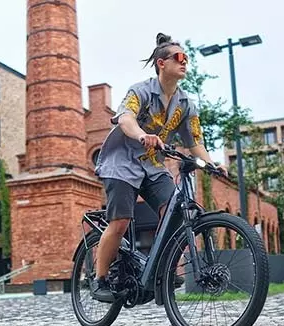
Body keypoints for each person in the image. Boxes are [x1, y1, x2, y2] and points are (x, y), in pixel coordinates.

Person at [92, 33, 227, 302]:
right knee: (120, 222)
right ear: (161, 63)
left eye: (186, 58)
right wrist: (142, 135)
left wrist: (212, 164)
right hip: (122, 164)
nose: (184, 62)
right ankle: (100, 279)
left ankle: (162, 270)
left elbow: (195, 142)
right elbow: (125, 119)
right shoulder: (141, 91)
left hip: (153, 167)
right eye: (179, 57)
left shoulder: (186, 104)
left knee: (175, 212)